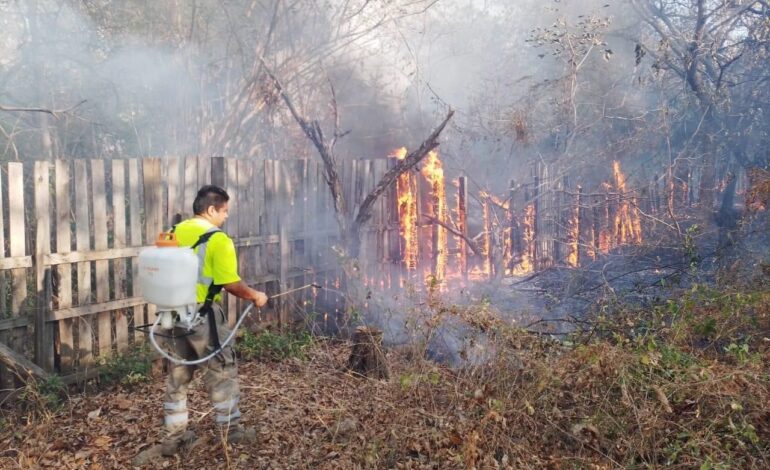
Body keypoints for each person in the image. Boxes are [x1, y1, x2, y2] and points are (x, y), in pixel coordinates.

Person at [159, 185, 268, 456]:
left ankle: (174, 439)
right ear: (210, 210)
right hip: (203, 318)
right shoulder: (219, 240)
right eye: (224, 211)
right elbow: (229, 283)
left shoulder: (173, 233)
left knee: (178, 377)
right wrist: (255, 295)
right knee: (222, 373)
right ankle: (232, 434)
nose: (226, 217)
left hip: (171, 315)